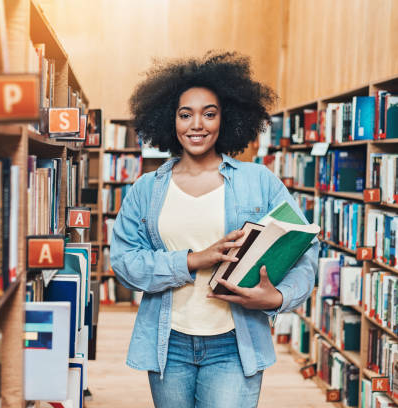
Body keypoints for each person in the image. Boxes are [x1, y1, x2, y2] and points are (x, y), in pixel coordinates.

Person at [109, 51, 318, 408]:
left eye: (209, 113)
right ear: (168, 119)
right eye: (185, 114)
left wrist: (279, 297)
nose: (197, 125)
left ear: (227, 118)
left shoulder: (259, 181)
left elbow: (304, 247)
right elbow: (125, 263)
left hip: (234, 344)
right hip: (167, 343)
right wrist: (192, 260)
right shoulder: (146, 189)